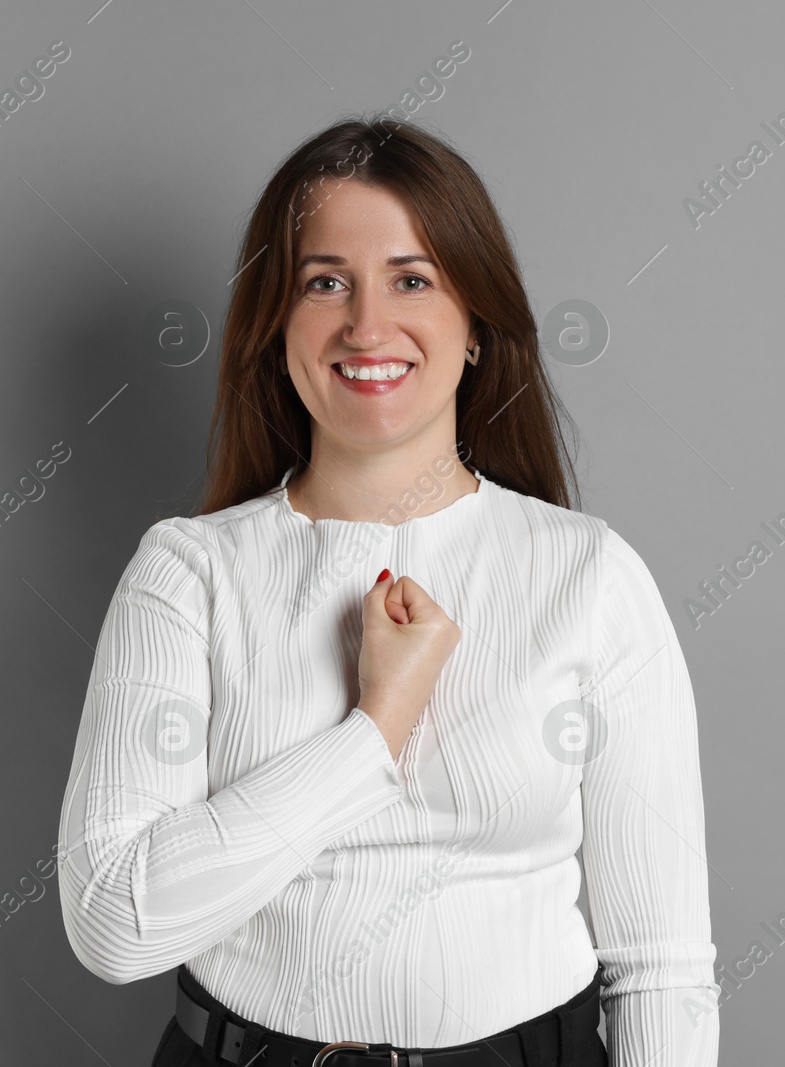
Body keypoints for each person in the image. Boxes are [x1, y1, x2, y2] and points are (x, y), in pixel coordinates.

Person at [56, 115, 720, 1067]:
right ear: (277, 329)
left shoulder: (590, 576)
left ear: (478, 328)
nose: (367, 326)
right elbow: (114, 921)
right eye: (326, 282)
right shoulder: (186, 575)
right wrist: (375, 732)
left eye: (412, 280)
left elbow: (661, 963)